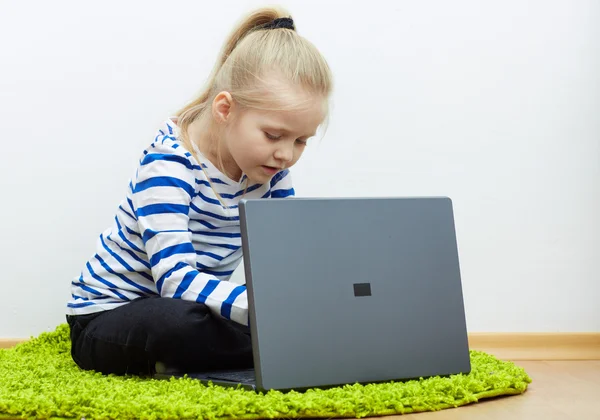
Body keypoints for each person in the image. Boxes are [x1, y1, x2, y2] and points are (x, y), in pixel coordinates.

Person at [65, 6, 333, 376]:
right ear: (225, 109)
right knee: (179, 323)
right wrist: (264, 310)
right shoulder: (170, 164)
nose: (286, 154)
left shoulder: (271, 172)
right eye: (273, 135)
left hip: (191, 307)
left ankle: (208, 356)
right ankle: (271, 349)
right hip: (108, 315)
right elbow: (174, 279)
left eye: (301, 140)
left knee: (209, 319)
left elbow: (281, 264)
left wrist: (314, 299)